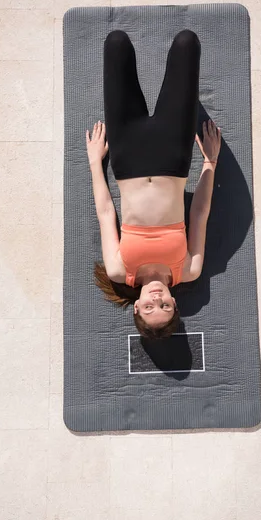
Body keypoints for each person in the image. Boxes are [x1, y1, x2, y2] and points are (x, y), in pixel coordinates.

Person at [86, 29, 221, 340]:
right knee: (187, 42)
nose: (157, 299)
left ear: (137, 307)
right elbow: (199, 214)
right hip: (173, 154)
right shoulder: (188, 270)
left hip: (127, 154)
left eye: (149, 308)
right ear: (175, 303)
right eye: (165, 307)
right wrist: (210, 163)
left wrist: (96, 161)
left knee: (116, 41)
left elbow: (106, 213)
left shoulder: (120, 270)